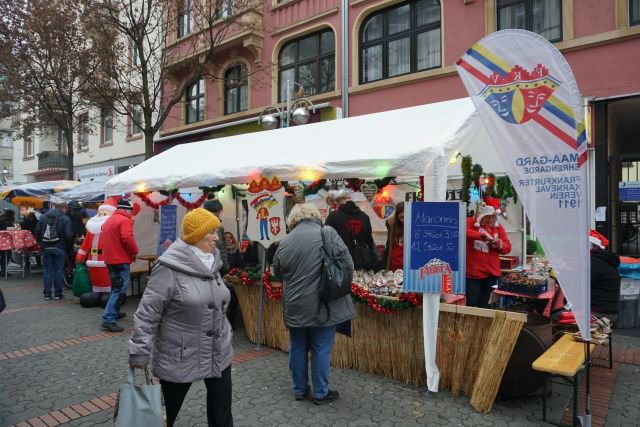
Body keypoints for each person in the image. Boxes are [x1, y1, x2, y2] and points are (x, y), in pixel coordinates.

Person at [129, 208, 233, 427]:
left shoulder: (213, 263)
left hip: (217, 350)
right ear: (195, 236)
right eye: (211, 232)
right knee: (164, 415)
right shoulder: (169, 269)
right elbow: (147, 313)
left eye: (217, 231)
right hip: (180, 353)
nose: (216, 237)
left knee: (222, 413)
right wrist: (139, 350)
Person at [272, 203, 355, 405]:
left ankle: (299, 390)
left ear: (293, 219)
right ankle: (320, 393)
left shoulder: (284, 242)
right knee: (321, 348)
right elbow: (349, 266)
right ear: (315, 215)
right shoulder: (326, 233)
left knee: (298, 346)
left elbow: (277, 273)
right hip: (322, 304)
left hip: (294, 305)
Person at [100, 198, 139, 332]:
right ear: (125, 209)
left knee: (115, 288)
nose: (130, 213)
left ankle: (114, 312)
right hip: (121, 260)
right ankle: (108, 318)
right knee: (119, 290)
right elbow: (127, 238)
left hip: (110, 259)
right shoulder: (124, 220)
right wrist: (135, 251)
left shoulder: (108, 221)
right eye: (129, 211)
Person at [465, 200, 512, 308]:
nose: (491, 220)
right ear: (481, 216)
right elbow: (463, 231)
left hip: (492, 274)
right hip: (473, 275)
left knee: (487, 305)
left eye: (493, 217)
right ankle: (472, 324)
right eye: (488, 217)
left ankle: (485, 324)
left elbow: (507, 247)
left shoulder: (498, 227)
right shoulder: (470, 223)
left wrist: (500, 244)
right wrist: (482, 236)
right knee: (472, 304)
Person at [325, 189, 378, 271]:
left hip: (340, 263)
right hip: (363, 261)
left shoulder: (333, 217)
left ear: (336, 201)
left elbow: (327, 241)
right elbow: (369, 240)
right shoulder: (364, 216)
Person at [75, 199, 117, 294]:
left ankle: (107, 292)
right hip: (92, 261)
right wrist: (79, 257)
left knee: (106, 278)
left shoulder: (110, 230)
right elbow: (85, 245)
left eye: (104, 214)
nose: (101, 215)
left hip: (105, 260)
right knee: (95, 278)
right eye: (100, 213)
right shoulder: (91, 231)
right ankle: (96, 291)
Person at [34, 203, 73, 300]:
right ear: (64, 208)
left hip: (46, 248)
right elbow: (69, 235)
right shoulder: (65, 218)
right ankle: (57, 294)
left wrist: (42, 243)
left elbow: (37, 232)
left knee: (47, 271)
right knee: (58, 271)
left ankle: (47, 294)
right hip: (60, 248)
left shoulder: (43, 217)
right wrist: (67, 247)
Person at [589, 229, 621, 317]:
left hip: (600, 311)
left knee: (556, 315)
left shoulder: (594, 262)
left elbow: (581, 284)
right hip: (608, 309)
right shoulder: (602, 260)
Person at [203, 199, 229, 274]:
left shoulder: (201, 223)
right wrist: (225, 265)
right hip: (215, 264)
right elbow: (219, 245)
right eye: (220, 211)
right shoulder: (215, 225)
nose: (220, 213)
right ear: (216, 211)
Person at [383, 202, 404, 271]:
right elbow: (390, 245)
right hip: (395, 263)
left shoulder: (415, 225)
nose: (404, 220)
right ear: (397, 217)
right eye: (401, 217)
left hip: (408, 263)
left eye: (406, 217)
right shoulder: (392, 225)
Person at [0, 210, 16, 277]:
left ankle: (3, 271)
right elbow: (11, 232)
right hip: (6, 243)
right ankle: (4, 271)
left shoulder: (1, 219)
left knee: (3, 256)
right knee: (6, 256)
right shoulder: (8, 222)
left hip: (1, 242)